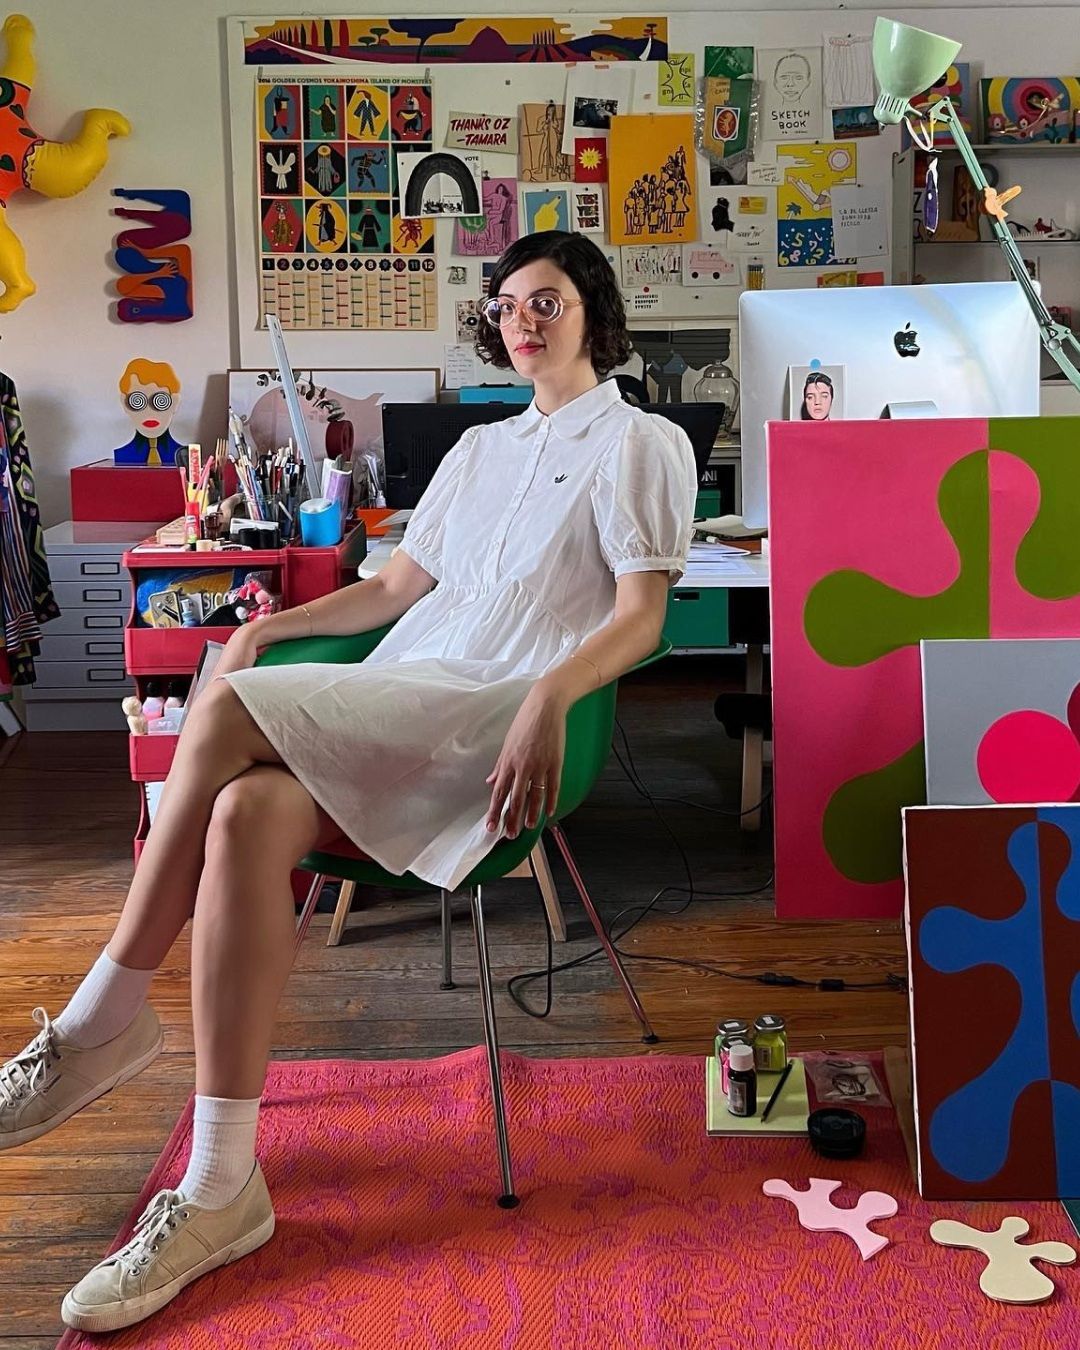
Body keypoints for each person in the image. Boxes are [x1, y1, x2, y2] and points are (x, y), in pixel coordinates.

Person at [0, 229, 697, 1333]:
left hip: (492, 715)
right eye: (508, 304)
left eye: (547, 300)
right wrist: (269, 626)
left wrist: (549, 697)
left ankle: (102, 1020)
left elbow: (642, 617)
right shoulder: (479, 450)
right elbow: (391, 593)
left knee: (225, 706)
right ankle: (223, 1184)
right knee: (245, 809)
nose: (523, 320)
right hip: (409, 692)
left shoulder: (641, 443)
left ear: (592, 312)